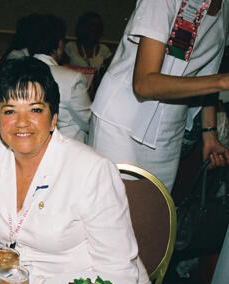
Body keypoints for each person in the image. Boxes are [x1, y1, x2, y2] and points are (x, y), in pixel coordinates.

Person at [0, 57, 149, 284]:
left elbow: (117, 270)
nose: (22, 122)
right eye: (10, 111)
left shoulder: (91, 172)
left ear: (53, 119)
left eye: (35, 109)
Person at [89, 0, 229, 191]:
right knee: (113, 211)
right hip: (122, 121)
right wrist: (222, 82)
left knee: (155, 214)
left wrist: (209, 133)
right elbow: (144, 83)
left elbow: (205, 75)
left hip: (169, 128)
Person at [31, 14, 92, 142]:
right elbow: (90, 123)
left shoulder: (16, 71)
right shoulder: (71, 79)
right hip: (69, 151)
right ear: (59, 44)